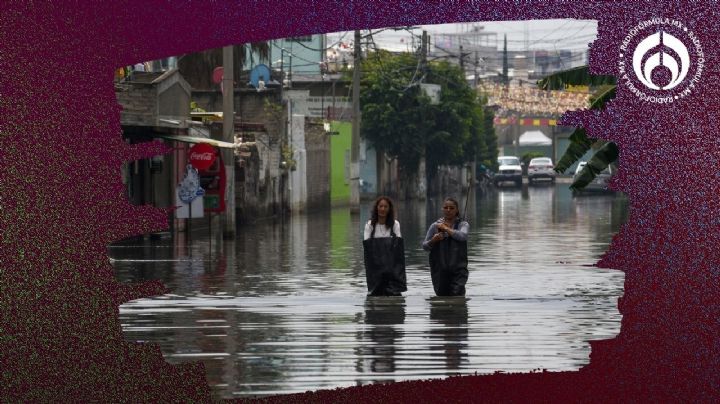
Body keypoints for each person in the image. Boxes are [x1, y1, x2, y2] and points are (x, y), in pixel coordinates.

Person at [422, 197, 469, 296]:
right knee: (441, 295)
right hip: (440, 271)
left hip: (458, 270)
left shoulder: (463, 224)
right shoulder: (435, 226)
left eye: (451, 208)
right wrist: (433, 241)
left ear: (457, 210)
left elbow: (463, 236)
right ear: (442, 209)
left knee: (458, 295)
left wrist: (446, 229)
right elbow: (425, 246)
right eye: (446, 207)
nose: (448, 210)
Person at [363, 196, 407, 296]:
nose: (382, 209)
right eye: (380, 206)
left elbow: (398, 246)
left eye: (385, 207)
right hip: (375, 265)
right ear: (376, 208)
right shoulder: (369, 225)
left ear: (389, 209)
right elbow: (367, 246)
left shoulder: (395, 224)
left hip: (392, 266)